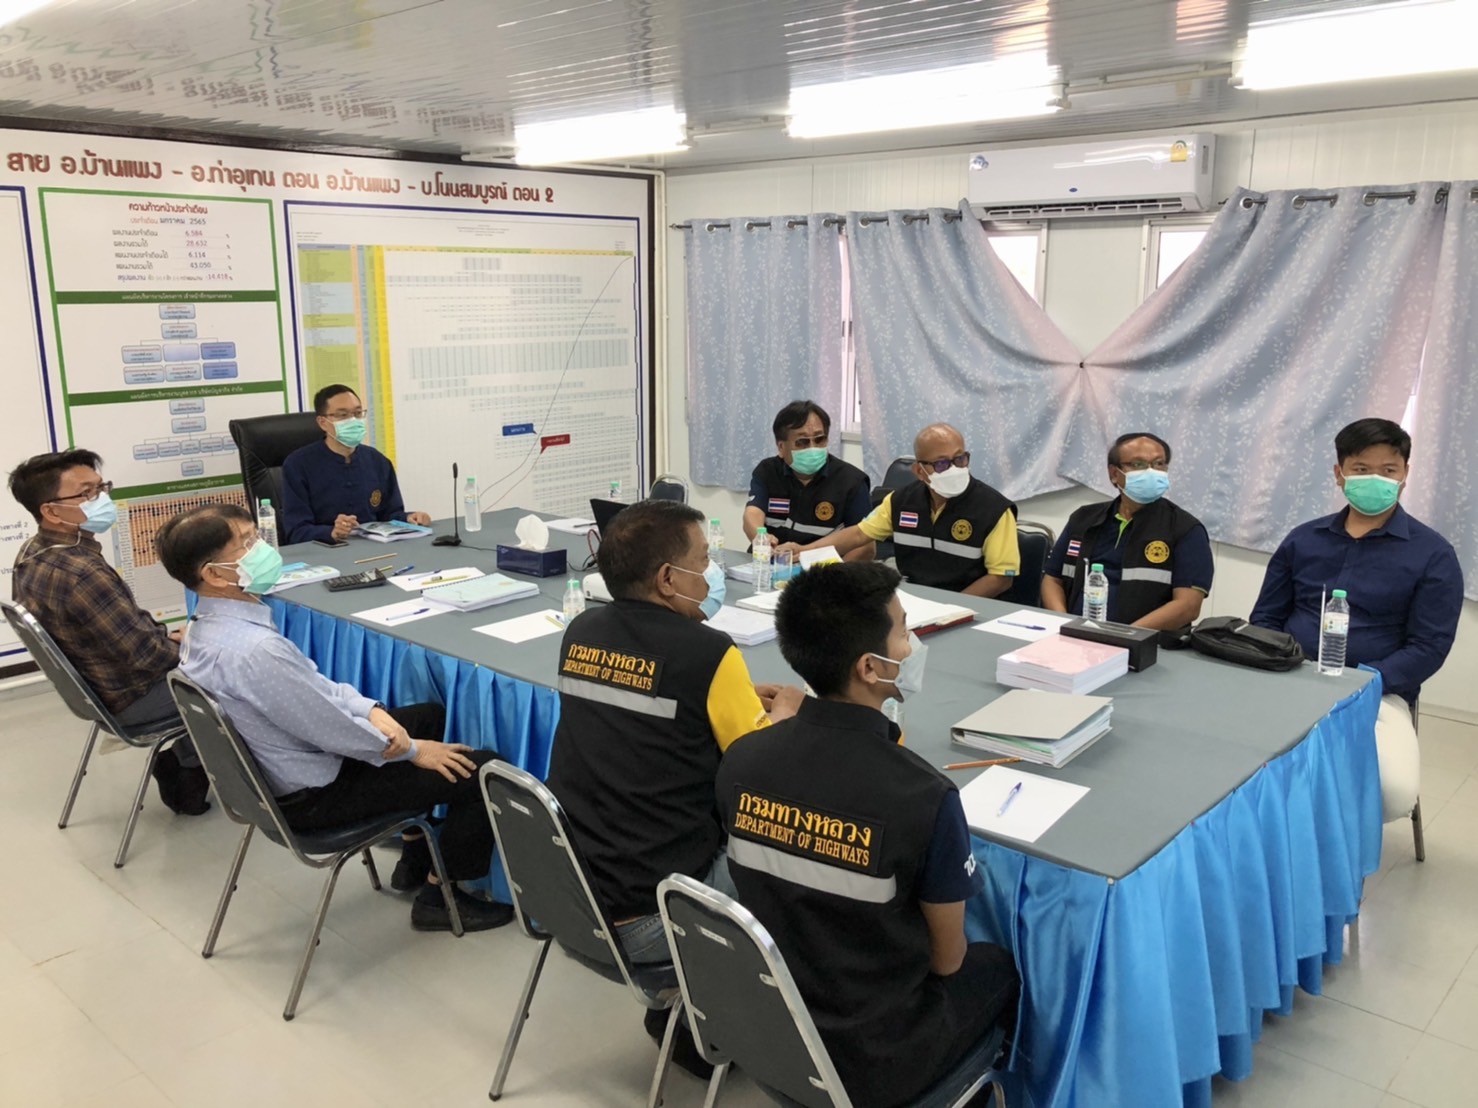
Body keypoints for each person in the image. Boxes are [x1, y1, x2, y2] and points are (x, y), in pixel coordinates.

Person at [716, 561, 1019, 1108]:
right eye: (904, 632)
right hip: (875, 1058)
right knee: (996, 968)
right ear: (869, 667)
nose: (913, 644)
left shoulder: (741, 759)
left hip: (767, 1024)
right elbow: (947, 961)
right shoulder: (924, 795)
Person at [157, 502, 511, 931]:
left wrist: (371, 710)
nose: (263, 549)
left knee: (427, 715)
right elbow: (331, 729)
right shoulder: (255, 651)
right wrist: (414, 751)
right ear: (214, 574)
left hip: (279, 774)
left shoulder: (204, 627)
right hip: (312, 795)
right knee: (482, 771)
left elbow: (314, 687)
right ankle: (442, 896)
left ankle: (415, 855)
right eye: (247, 543)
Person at [546, 498, 805, 1072]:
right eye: (704, 560)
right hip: (656, 912)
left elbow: (647, 703)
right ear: (668, 578)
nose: (711, 574)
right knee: (803, 866)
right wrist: (786, 716)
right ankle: (718, 1023)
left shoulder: (582, 629)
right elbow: (761, 768)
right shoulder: (709, 652)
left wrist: (731, 696)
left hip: (574, 890)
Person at [1251, 418, 1463, 822]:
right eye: (1362, 469)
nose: (1375, 479)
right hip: (1287, 680)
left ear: (1404, 475)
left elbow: (1429, 646)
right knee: (1231, 759)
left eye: (1388, 470)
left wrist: (1364, 682)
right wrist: (1279, 667)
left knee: (1392, 791)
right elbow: (1266, 617)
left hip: (1375, 694)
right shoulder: (1303, 539)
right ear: (1339, 473)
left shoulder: (1434, 555)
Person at [8, 449, 207, 815]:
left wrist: (167, 637)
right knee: (237, 677)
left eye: (101, 488)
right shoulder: (81, 572)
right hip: (131, 696)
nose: (101, 499)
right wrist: (195, 649)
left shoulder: (33, 552)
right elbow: (148, 657)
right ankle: (190, 771)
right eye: (86, 493)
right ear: (51, 511)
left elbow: (124, 632)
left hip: (96, 690)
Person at [780, 423, 1019, 596]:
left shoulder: (994, 509)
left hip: (972, 605)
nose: (954, 469)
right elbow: (858, 534)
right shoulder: (901, 501)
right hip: (914, 600)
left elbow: (1000, 579)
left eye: (960, 459)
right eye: (942, 463)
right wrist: (804, 550)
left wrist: (953, 607)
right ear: (919, 471)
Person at [1040, 432, 1214, 629]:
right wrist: (1064, 625)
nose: (1151, 472)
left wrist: (1125, 635)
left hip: (1147, 641)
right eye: (1139, 464)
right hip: (1075, 634)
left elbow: (1188, 606)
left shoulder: (1186, 529)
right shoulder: (1083, 519)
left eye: (1159, 464)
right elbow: (1052, 579)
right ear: (1114, 474)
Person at [279, 384, 433, 544]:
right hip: (325, 551)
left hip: (374, 548)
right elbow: (296, 531)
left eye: (358, 413)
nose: (353, 420)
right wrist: (331, 532)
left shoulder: (378, 461)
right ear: (323, 422)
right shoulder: (298, 465)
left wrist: (410, 518)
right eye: (343, 415)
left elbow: (390, 516)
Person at [744, 400, 873, 560]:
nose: (813, 448)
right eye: (802, 442)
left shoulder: (851, 481)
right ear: (781, 447)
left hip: (824, 569)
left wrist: (835, 573)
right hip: (768, 564)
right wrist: (760, 538)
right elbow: (752, 514)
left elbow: (865, 547)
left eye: (819, 440)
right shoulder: (767, 471)